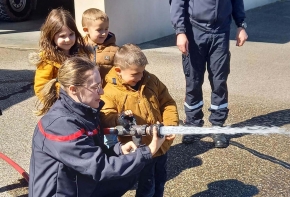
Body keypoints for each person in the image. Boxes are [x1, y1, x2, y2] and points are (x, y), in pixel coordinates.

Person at [29, 56, 165, 197]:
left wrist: (118, 149)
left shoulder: (85, 110)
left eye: (100, 85)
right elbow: (99, 167)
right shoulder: (60, 125)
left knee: (129, 175)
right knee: (130, 169)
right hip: (62, 193)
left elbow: (96, 142)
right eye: (95, 87)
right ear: (73, 89)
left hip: (79, 184)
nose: (101, 92)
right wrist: (149, 150)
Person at [100, 44, 178, 197]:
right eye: (135, 74)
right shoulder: (109, 92)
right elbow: (105, 117)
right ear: (118, 71)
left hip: (161, 146)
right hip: (139, 150)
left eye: (142, 72)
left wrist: (170, 125)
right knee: (146, 188)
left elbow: (168, 103)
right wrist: (119, 118)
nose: (140, 77)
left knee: (160, 181)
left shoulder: (152, 80)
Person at [170, 0, 248, 148]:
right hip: (194, 32)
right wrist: (180, 31)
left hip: (221, 32)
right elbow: (177, 3)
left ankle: (218, 125)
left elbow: (236, 1)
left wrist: (241, 25)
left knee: (219, 81)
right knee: (193, 81)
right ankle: (193, 124)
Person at [29, 8, 89, 102]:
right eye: (62, 36)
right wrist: (62, 93)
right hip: (60, 105)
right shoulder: (47, 60)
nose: (68, 39)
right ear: (51, 36)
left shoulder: (81, 53)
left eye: (71, 34)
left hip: (82, 102)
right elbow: (41, 88)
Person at [81, 8, 119, 87]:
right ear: (86, 30)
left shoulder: (115, 50)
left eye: (106, 29)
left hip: (107, 92)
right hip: (87, 91)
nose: (104, 33)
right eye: (99, 30)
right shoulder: (79, 48)